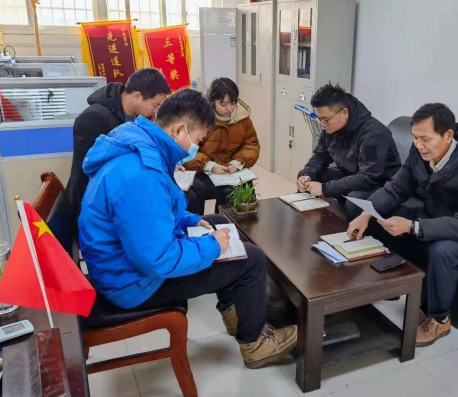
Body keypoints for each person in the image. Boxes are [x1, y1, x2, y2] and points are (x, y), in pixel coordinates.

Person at [78, 89, 297, 368]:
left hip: (125, 265)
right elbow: (158, 259)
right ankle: (255, 345)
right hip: (134, 283)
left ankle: (236, 315)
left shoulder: (137, 142)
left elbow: (149, 216)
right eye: (199, 140)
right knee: (251, 258)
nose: (197, 147)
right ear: (179, 129)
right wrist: (212, 246)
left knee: (217, 222)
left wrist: (188, 220)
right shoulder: (140, 175)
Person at [348, 103, 458, 347]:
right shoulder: (420, 153)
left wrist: (413, 227)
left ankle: (440, 319)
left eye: (425, 139)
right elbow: (396, 188)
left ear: (448, 135)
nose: (418, 145)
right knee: (376, 216)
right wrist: (366, 214)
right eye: (415, 138)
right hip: (436, 217)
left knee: (442, 250)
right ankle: (388, 286)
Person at [67, 68, 206, 216]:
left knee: (191, 191)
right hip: (101, 199)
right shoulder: (94, 117)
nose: (156, 111)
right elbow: (87, 170)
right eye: (155, 105)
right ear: (137, 96)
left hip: (128, 182)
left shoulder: (138, 117)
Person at [296, 83, 401, 220]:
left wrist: (325, 188)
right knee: (308, 176)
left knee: (354, 200)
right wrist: (307, 174)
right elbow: (320, 156)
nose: (322, 124)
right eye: (319, 119)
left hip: (380, 184)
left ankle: (349, 232)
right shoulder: (330, 127)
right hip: (352, 176)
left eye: (325, 120)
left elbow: (368, 178)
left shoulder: (373, 135)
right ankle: (313, 222)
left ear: (344, 113)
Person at [183, 78, 260, 213]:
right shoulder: (201, 119)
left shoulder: (243, 118)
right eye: (223, 104)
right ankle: (219, 223)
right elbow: (187, 150)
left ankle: (240, 225)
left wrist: (238, 162)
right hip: (203, 170)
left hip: (232, 170)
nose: (229, 108)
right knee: (227, 192)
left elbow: (251, 144)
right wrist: (209, 166)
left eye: (233, 103)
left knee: (247, 191)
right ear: (212, 101)